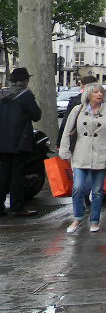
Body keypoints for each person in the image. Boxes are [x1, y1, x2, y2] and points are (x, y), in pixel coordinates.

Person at [59, 82, 106, 234]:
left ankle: (94, 220)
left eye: (101, 92)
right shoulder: (77, 109)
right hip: (81, 153)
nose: (99, 94)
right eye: (96, 92)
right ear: (88, 94)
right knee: (78, 187)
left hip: (100, 154)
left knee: (98, 191)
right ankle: (78, 217)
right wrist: (65, 151)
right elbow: (67, 131)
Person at [0, 67, 42, 217]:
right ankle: (17, 207)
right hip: (19, 141)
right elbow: (36, 115)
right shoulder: (25, 95)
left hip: (2, 141)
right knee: (17, 175)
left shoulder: (2, 93)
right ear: (24, 81)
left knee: (3, 174)